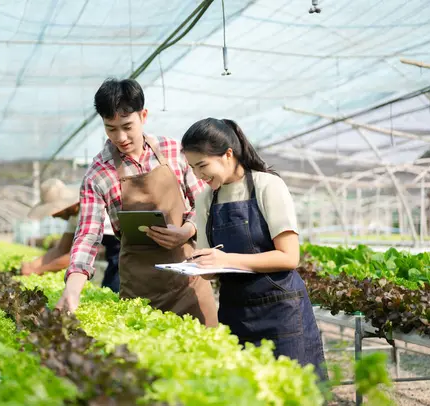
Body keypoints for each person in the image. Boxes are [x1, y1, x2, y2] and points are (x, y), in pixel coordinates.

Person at [55, 78, 217, 328]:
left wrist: (188, 230)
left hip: (189, 282)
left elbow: (205, 204)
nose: (120, 137)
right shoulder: (98, 174)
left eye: (127, 126)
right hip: (141, 290)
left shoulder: (175, 152)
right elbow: (87, 234)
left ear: (144, 115)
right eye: (111, 128)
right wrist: (73, 289)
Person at [181, 118, 327, 380]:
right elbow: (210, 268)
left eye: (202, 165)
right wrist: (198, 265)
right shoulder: (205, 198)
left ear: (228, 154)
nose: (198, 175)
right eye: (192, 168)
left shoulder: (267, 185)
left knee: (291, 391)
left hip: (281, 312)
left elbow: (289, 257)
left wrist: (227, 259)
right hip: (235, 311)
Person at [21, 178, 120, 293]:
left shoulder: (87, 210)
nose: (53, 216)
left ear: (66, 205)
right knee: (109, 288)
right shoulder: (73, 216)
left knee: (115, 289)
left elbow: (75, 258)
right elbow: (60, 249)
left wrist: (37, 270)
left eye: (54, 211)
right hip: (113, 253)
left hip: (124, 246)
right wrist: (31, 265)